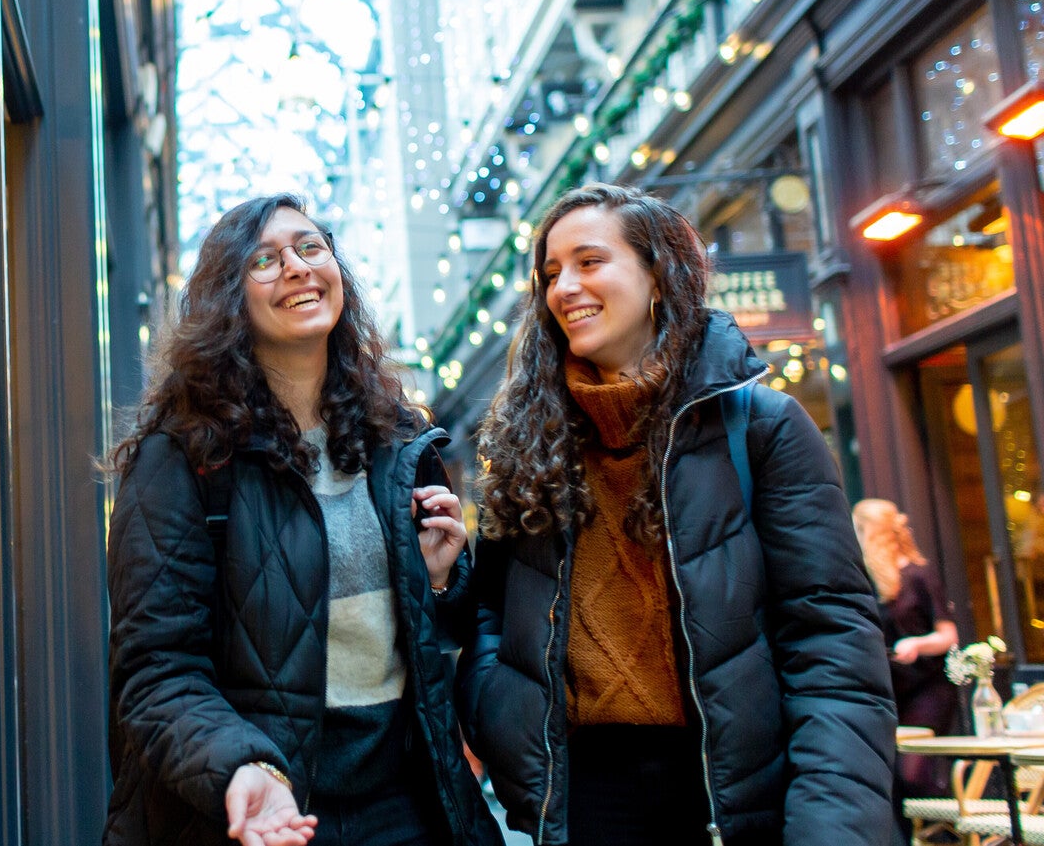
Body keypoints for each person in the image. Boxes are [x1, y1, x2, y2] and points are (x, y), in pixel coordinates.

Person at [457, 183, 896, 846]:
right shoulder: (529, 447)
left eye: (589, 261)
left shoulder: (761, 428)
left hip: (740, 794)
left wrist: (830, 823)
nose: (565, 287)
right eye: (551, 273)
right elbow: (492, 615)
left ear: (657, 273)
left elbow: (831, 643)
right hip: (580, 802)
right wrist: (497, 711)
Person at [104, 194, 502, 846]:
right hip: (264, 805)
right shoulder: (183, 456)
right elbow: (157, 667)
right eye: (265, 259)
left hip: (403, 799)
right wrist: (241, 765)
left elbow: (446, 633)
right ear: (228, 301)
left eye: (310, 247)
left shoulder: (398, 439)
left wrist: (438, 578)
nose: (296, 266)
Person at [853, 498, 959, 798]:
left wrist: (917, 643)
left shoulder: (920, 575)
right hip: (890, 691)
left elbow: (948, 635)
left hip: (927, 688)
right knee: (889, 782)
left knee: (913, 774)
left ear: (869, 532)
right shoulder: (869, 581)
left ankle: (949, 835)